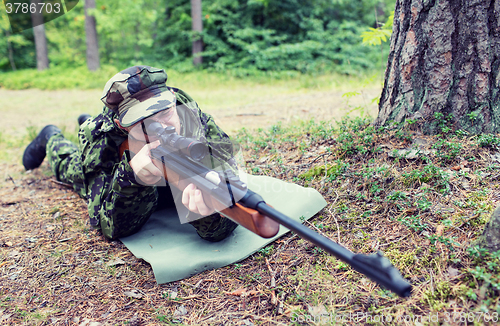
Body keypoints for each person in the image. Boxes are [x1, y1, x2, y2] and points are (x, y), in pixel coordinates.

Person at [22, 65, 238, 240]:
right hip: (109, 152)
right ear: (122, 125)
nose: (162, 128)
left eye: (164, 113)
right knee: (69, 169)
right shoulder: (104, 137)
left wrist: (209, 215)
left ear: (173, 98)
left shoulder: (195, 119)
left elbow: (231, 191)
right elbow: (108, 225)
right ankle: (50, 136)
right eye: (142, 123)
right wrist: (132, 179)